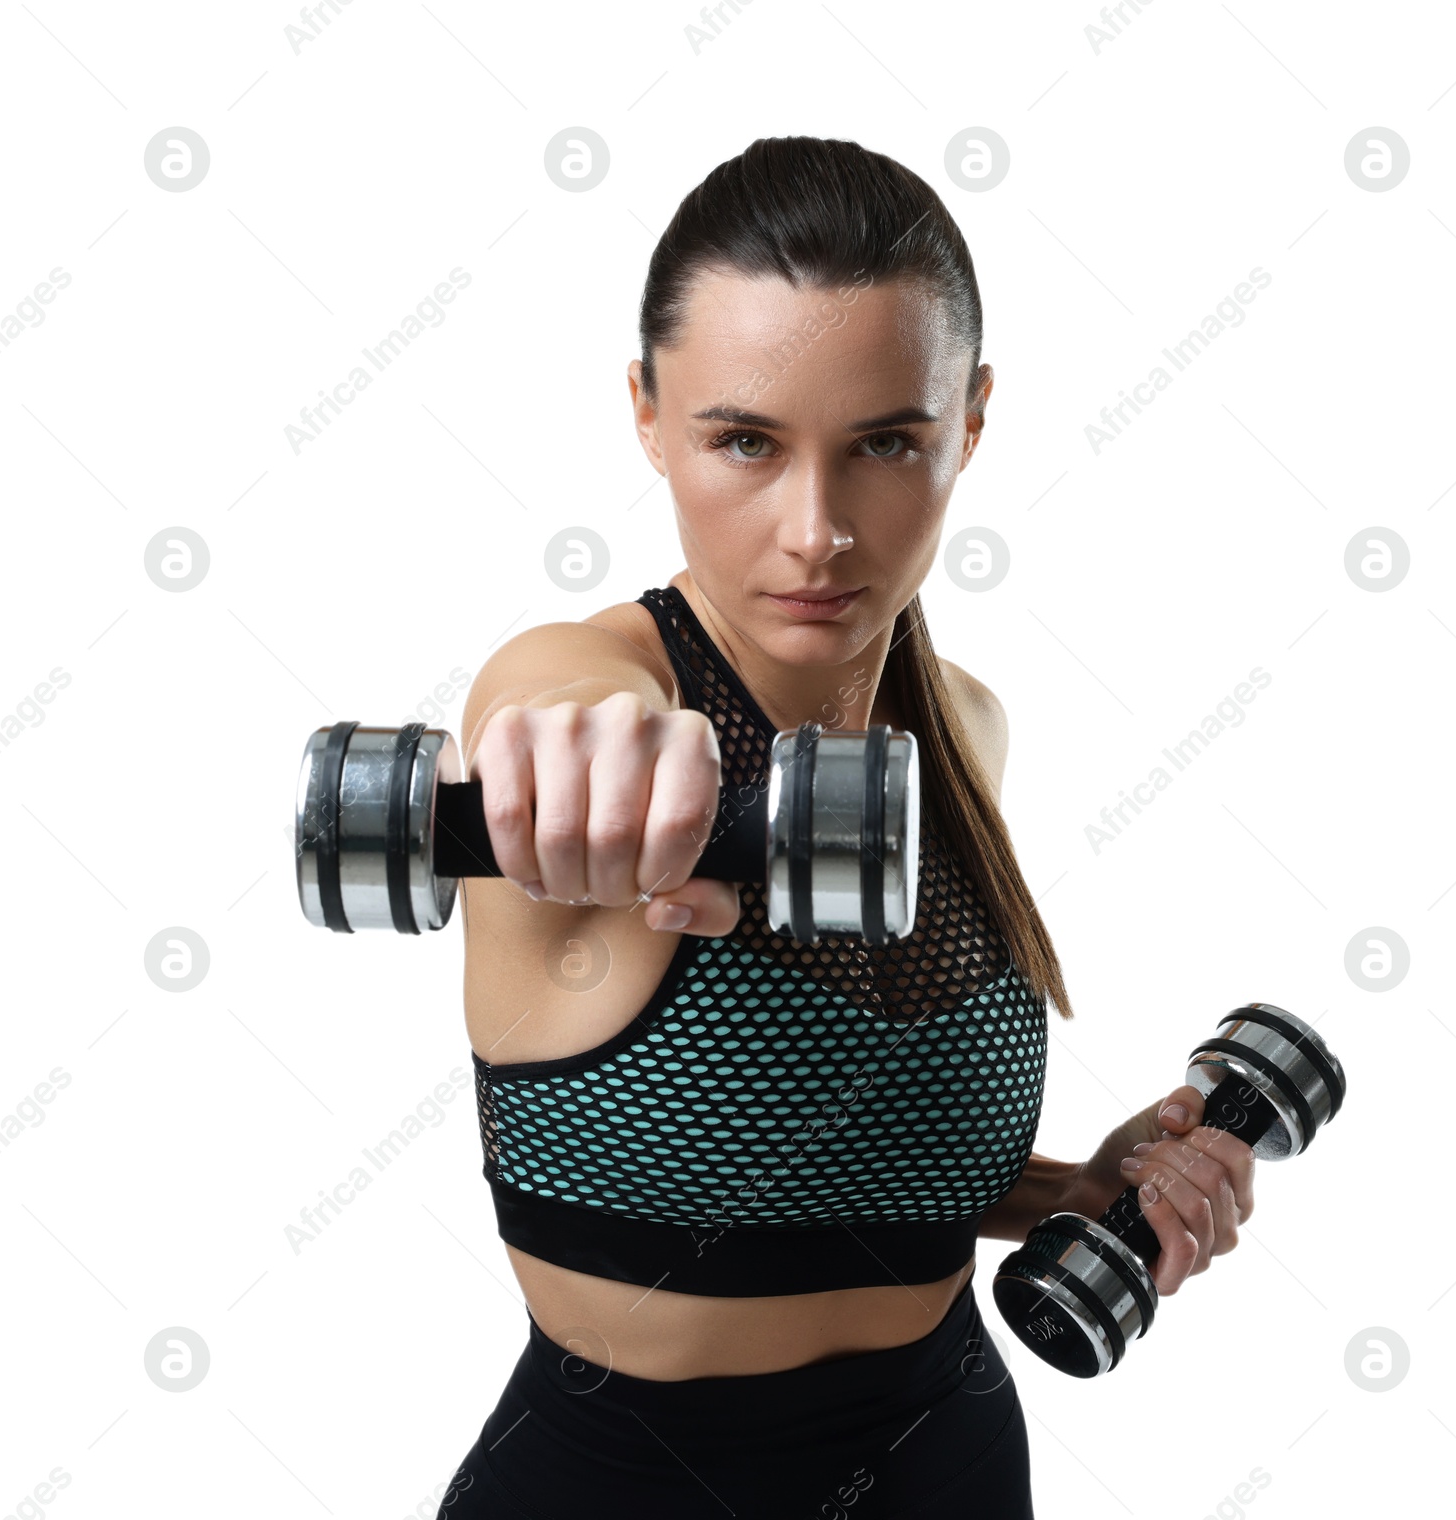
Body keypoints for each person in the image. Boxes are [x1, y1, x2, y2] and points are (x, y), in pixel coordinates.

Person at [439, 135, 1255, 1518]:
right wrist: (589, 746)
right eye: (743, 441)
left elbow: (843, 1166)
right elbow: (550, 698)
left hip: (950, 1456)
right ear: (646, 416)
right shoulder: (593, 701)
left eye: (886, 442)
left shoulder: (969, 732)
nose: (815, 530)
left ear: (972, 422)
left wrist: (1072, 1187)